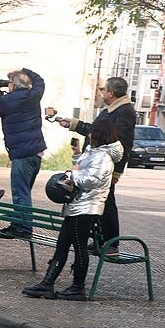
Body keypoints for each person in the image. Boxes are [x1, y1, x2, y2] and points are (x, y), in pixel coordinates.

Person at [23, 121, 123, 301]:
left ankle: (78, 287)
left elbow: (92, 180)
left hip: (87, 207)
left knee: (79, 246)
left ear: (100, 135)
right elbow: (82, 169)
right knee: (62, 245)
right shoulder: (94, 153)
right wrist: (76, 155)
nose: (89, 136)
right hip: (77, 205)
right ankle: (47, 283)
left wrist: (71, 176)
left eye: (92, 133)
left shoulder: (103, 156)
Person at [55, 76, 135, 256]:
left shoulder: (124, 112)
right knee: (99, 202)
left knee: (106, 203)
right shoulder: (111, 110)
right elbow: (97, 131)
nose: (101, 92)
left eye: (103, 89)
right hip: (96, 163)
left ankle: (111, 243)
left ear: (111, 93)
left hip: (104, 167)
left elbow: (123, 143)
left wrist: (117, 171)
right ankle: (100, 240)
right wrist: (74, 124)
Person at [0, 68, 46, 237]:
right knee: (24, 192)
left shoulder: (7, 101)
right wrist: (23, 71)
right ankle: (19, 221)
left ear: (13, 86)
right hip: (36, 153)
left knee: (21, 192)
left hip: (22, 154)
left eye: (10, 83)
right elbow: (39, 80)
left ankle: (23, 228)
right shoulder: (34, 95)